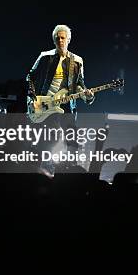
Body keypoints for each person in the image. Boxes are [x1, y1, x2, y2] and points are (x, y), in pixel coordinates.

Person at [26, 24, 94, 171]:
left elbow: (79, 85)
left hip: (66, 105)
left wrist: (87, 96)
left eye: (63, 38)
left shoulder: (77, 61)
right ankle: (38, 169)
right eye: (57, 38)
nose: (60, 40)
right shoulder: (45, 56)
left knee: (72, 138)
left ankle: (69, 169)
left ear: (68, 40)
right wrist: (32, 97)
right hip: (46, 104)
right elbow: (30, 76)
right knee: (48, 139)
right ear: (54, 40)